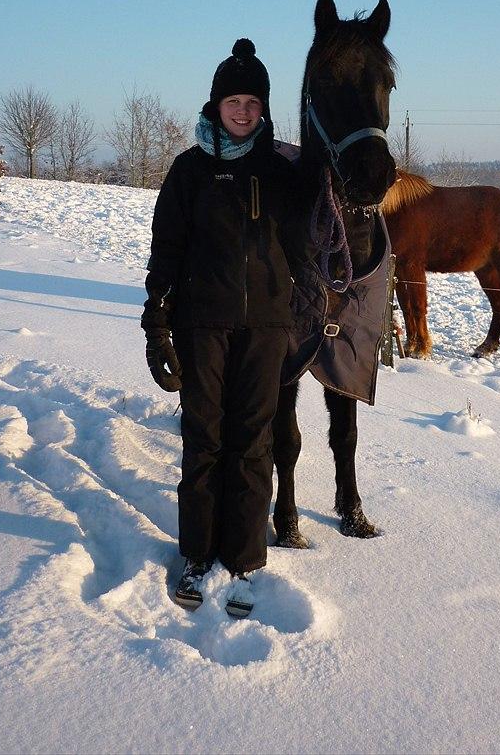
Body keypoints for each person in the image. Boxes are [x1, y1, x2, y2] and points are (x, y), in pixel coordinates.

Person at [141, 39, 304, 618]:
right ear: (214, 106)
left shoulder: (283, 171)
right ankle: (197, 554)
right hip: (201, 324)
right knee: (204, 438)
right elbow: (167, 250)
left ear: (263, 109)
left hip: (265, 326)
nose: (241, 111)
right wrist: (156, 320)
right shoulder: (188, 171)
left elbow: (318, 234)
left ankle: (243, 561)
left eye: (251, 102)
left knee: (252, 442)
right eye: (232, 100)